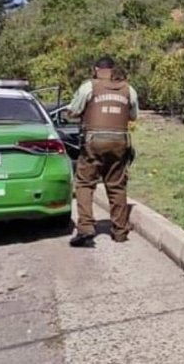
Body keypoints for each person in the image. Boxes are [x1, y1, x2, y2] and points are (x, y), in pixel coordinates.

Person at [66, 56, 138, 247]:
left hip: (94, 141)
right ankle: (120, 231)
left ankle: (86, 227)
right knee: (117, 185)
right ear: (113, 69)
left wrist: (74, 113)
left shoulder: (89, 87)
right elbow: (133, 115)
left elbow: (73, 110)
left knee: (84, 183)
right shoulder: (128, 89)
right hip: (119, 141)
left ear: (96, 69)